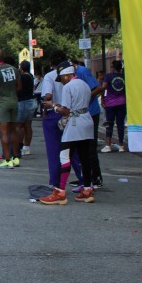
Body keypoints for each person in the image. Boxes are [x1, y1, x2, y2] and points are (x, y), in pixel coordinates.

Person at [40, 63, 97, 205]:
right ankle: (87, 190)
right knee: (84, 157)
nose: (61, 82)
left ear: (66, 75)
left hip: (74, 124)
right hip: (87, 120)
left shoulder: (68, 87)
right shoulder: (84, 84)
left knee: (64, 156)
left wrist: (53, 106)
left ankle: (59, 192)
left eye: (61, 78)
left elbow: (66, 111)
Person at [72, 59, 104, 187]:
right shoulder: (71, 75)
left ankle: (96, 177)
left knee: (90, 146)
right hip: (80, 113)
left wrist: (84, 98)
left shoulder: (82, 71)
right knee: (79, 147)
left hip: (91, 112)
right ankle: (85, 177)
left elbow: (98, 88)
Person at [0, 50, 22, 168]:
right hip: (14, 102)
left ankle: (8, 159)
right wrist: (11, 93)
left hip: (1, 104)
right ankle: (16, 158)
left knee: (4, 133)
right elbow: (19, 87)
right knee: (14, 131)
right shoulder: (14, 69)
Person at [101, 60, 127, 152]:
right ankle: (121, 146)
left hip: (110, 103)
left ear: (113, 67)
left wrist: (102, 99)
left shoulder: (108, 76)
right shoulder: (124, 76)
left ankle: (108, 145)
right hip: (122, 103)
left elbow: (103, 87)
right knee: (120, 124)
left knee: (109, 124)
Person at [17, 60, 38, 156]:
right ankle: (27, 147)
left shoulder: (22, 77)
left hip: (23, 102)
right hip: (31, 101)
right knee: (28, 126)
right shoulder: (30, 76)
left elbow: (19, 89)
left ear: (21, 67)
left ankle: (19, 146)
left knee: (18, 126)